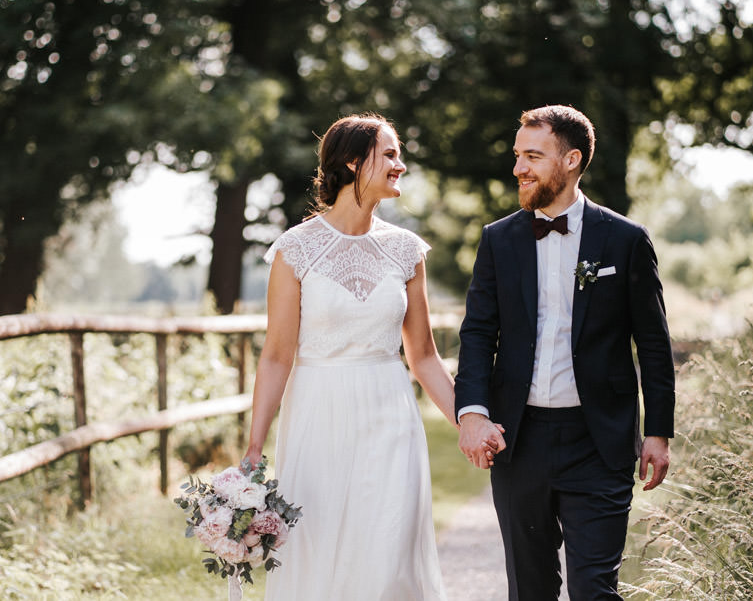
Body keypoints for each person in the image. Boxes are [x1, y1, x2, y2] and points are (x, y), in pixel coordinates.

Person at [244, 113, 505, 600]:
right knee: (319, 553)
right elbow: (277, 356)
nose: (400, 165)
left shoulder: (406, 250)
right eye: (389, 154)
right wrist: (255, 447)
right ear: (352, 162)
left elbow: (424, 357)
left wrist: (469, 421)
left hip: (390, 414)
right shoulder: (295, 251)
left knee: (389, 552)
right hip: (317, 417)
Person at [455, 104, 675, 600]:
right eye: (517, 155)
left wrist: (659, 431)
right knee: (530, 590)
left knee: (595, 590)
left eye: (533, 156)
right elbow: (477, 334)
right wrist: (472, 412)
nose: (518, 168)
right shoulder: (498, 240)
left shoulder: (625, 239)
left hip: (600, 442)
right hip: (519, 440)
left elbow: (654, 344)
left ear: (571, 159)